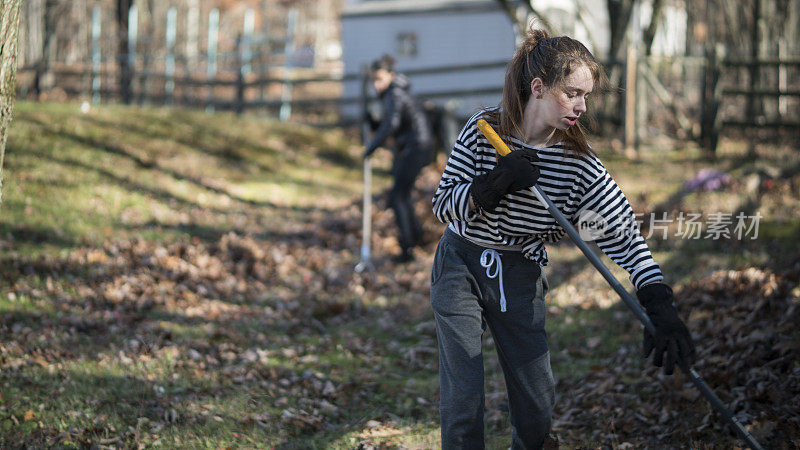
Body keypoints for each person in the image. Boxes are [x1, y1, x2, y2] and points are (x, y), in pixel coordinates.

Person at [430, 28, 696, 449]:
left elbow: (622, 232)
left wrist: (658, 300)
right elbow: (443, 205)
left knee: (536, 406)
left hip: (520, 270)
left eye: (586, 96)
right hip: (461, 262)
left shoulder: (578, 163)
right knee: (463, 401)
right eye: (572, 93)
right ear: (538, 87)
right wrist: (495, 183)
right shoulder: (483, 130)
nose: (581, 106)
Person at [364, 54, 434, 263]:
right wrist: (373, 122)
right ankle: (416, 238)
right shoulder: (394, 93)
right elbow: (392, 124)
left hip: (416, 147)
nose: (376, 85)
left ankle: (408, 248)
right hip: (414, 146)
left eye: (379, 79)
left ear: (390, 75)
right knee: (401, 195)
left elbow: (391, 126)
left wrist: (371, 147)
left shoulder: (394, 94)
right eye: (373, 80)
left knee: (397, 197)